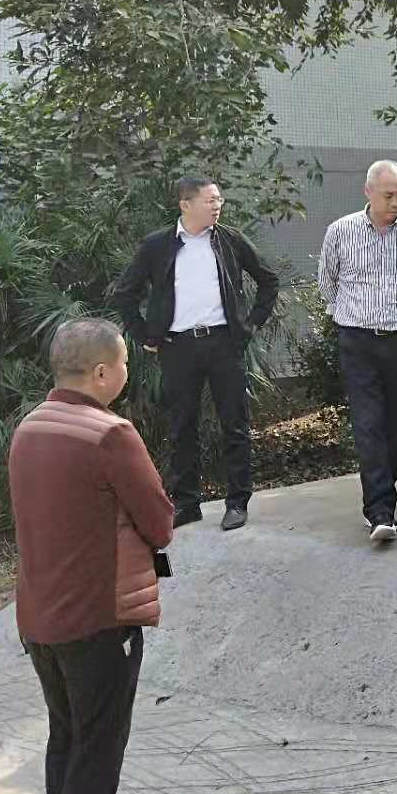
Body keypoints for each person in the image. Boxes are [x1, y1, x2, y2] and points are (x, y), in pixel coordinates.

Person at [9, 318, 174, 794]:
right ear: (102, 373)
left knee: (65, 735)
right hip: (97, 619)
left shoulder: (29, 427)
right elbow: (160, 523)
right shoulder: (111, 434)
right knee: (98, 749)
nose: (127, 371)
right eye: (124, 362)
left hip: (39, 616)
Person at [113, 176, 280, 531]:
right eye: (209, 200)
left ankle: (237, 503)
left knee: (235, 424)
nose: (217, 206)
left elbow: (269, 280)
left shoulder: (231, 240)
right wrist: (145, 334)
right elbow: (125, 292)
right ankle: (187, 504)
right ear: (185, 205)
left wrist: (249, 325)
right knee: (182, 428)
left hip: (224, 345)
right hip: (178, 347)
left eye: (219, 200)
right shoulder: (158, 245)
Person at [318, 160, 397, 544]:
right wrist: (349, 314)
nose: (396, 202)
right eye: (389, 195)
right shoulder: (341, 231)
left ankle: (381, 492)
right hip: (358, 340)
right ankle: (381, 512)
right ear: (368, 192)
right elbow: (327, 282)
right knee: (367, 423)